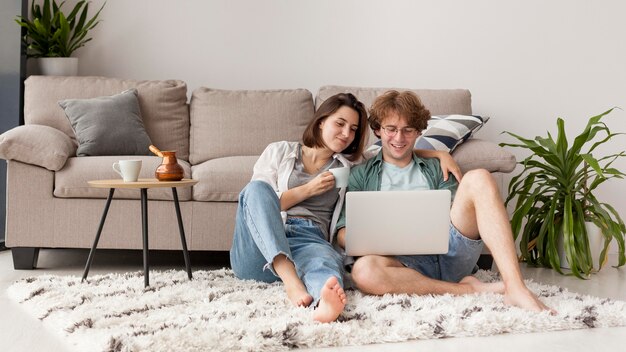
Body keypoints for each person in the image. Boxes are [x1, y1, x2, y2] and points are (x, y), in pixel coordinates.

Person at [229, 92, 462, 323]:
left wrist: (439, 154)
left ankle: (325, 305)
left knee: (327, 266)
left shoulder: (351, 164)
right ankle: (291, 281)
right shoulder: (279, 152)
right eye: (339, 124)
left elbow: (397, 148)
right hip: (259, 249)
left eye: (352, 129)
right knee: (256, 189)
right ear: (321, 121)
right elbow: (256, 205)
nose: (346, 134)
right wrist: (308, 189)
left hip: (310, 240)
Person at [335, 90, 552, 313]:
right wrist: (375, 239)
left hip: (450, 253)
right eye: (391, 129)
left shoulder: (437, 167)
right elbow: (342, 232)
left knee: (479, 177)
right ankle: (470, 290)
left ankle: (516, 287)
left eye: (408, 130)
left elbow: (457, 212)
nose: (399, 138)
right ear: (378, 130)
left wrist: (439, 155)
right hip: (399, 265)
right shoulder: (360, 174)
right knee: (363, 272)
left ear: (418, 131)